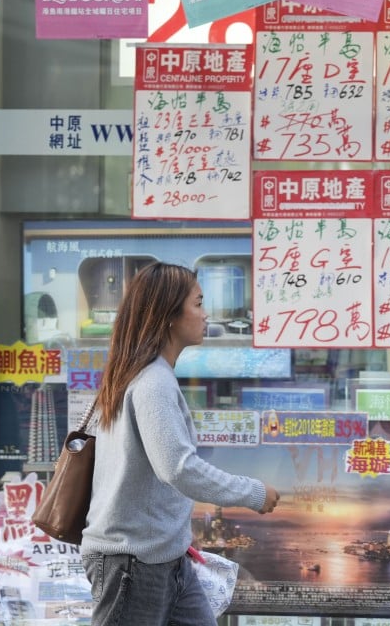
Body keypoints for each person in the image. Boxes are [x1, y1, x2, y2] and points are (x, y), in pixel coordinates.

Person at [80, 262, 280, 626]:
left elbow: (149, 474)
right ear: (168, 315)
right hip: (131, 565)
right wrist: (252, 493)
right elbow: (177, 467)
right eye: (199, 304)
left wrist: (176, 537)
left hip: (165, 559)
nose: (206, 315)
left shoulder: (145, 373)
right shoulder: (153, 380)